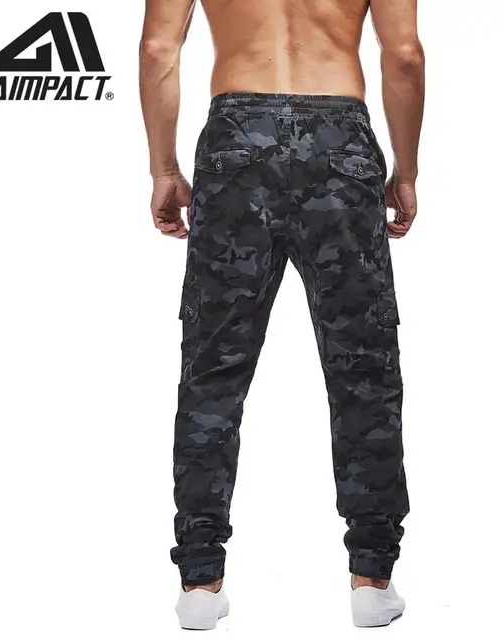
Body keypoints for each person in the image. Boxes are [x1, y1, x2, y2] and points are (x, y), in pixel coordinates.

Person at [139, 0, 424, 629]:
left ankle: (199, 583)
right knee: (363, 368)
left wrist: (164, 168)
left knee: (213, 372)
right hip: (340, 143)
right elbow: (403, 55)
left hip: (235, 142)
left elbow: (159, 49)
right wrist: (405, 170)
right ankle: (372, 579)